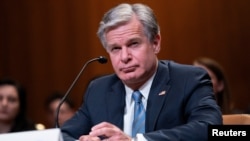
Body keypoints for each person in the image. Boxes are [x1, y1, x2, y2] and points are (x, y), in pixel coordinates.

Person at [61, 3, 222, 141]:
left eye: (133, 44)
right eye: (115, 48)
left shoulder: (188, 80)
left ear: (155, 43)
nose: (124, 57)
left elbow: (211, 129)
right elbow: (63, 135)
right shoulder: (98, 89)